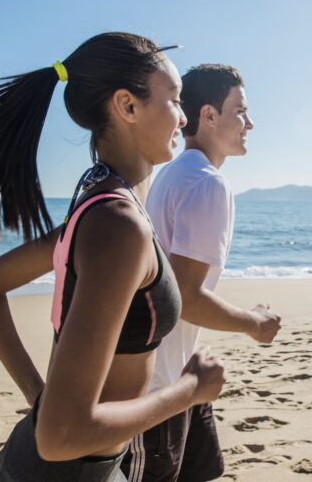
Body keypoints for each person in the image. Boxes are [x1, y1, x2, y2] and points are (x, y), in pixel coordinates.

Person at [0, 33, 226, 482]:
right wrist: (189, 390)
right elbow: (60, 436)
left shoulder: (99, 202)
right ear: (127, 107)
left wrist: (41, 398)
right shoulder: (119, 226)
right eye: (174, 101)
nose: (184, 116)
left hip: (69, 467)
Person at [121, 64, 282, 482]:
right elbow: (186, 297)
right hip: (157, 386)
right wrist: (255, 324)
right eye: (240, 111)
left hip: (176, 369)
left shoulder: (170, 174)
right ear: (209, 116)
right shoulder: (208, 184)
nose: (250, 123)